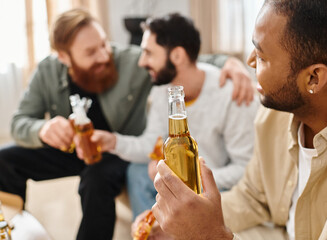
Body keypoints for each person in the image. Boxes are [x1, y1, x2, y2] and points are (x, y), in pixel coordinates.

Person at [0, 8, 255, 240]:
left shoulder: (131, 61)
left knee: (98, 179)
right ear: (64, 57)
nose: (104, 54)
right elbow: (19, 122)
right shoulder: (47, 71)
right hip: (73, 147)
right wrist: (42, 130)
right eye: (91, 52)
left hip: (112, 155)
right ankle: (10, 228)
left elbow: (186, 61)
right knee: (4, 158)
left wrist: (231, 63)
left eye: (104, 44)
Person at [151, 0, 327, 239]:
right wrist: (183, 218)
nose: (249, 62)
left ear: (313, 78)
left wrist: (209, 234)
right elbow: (252, 196)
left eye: (261, 57)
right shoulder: (272, 118)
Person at [84, 13, 258, 224]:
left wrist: (186, 178)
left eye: (148, 53)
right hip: (181, 178)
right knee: (138, 172)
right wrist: (113, 142)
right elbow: (151, 143)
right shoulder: (162, 91)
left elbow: (244, 169)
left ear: (177, 56)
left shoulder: (230, 94)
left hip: (216, 183)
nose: (141, 62)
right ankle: (152, 233)